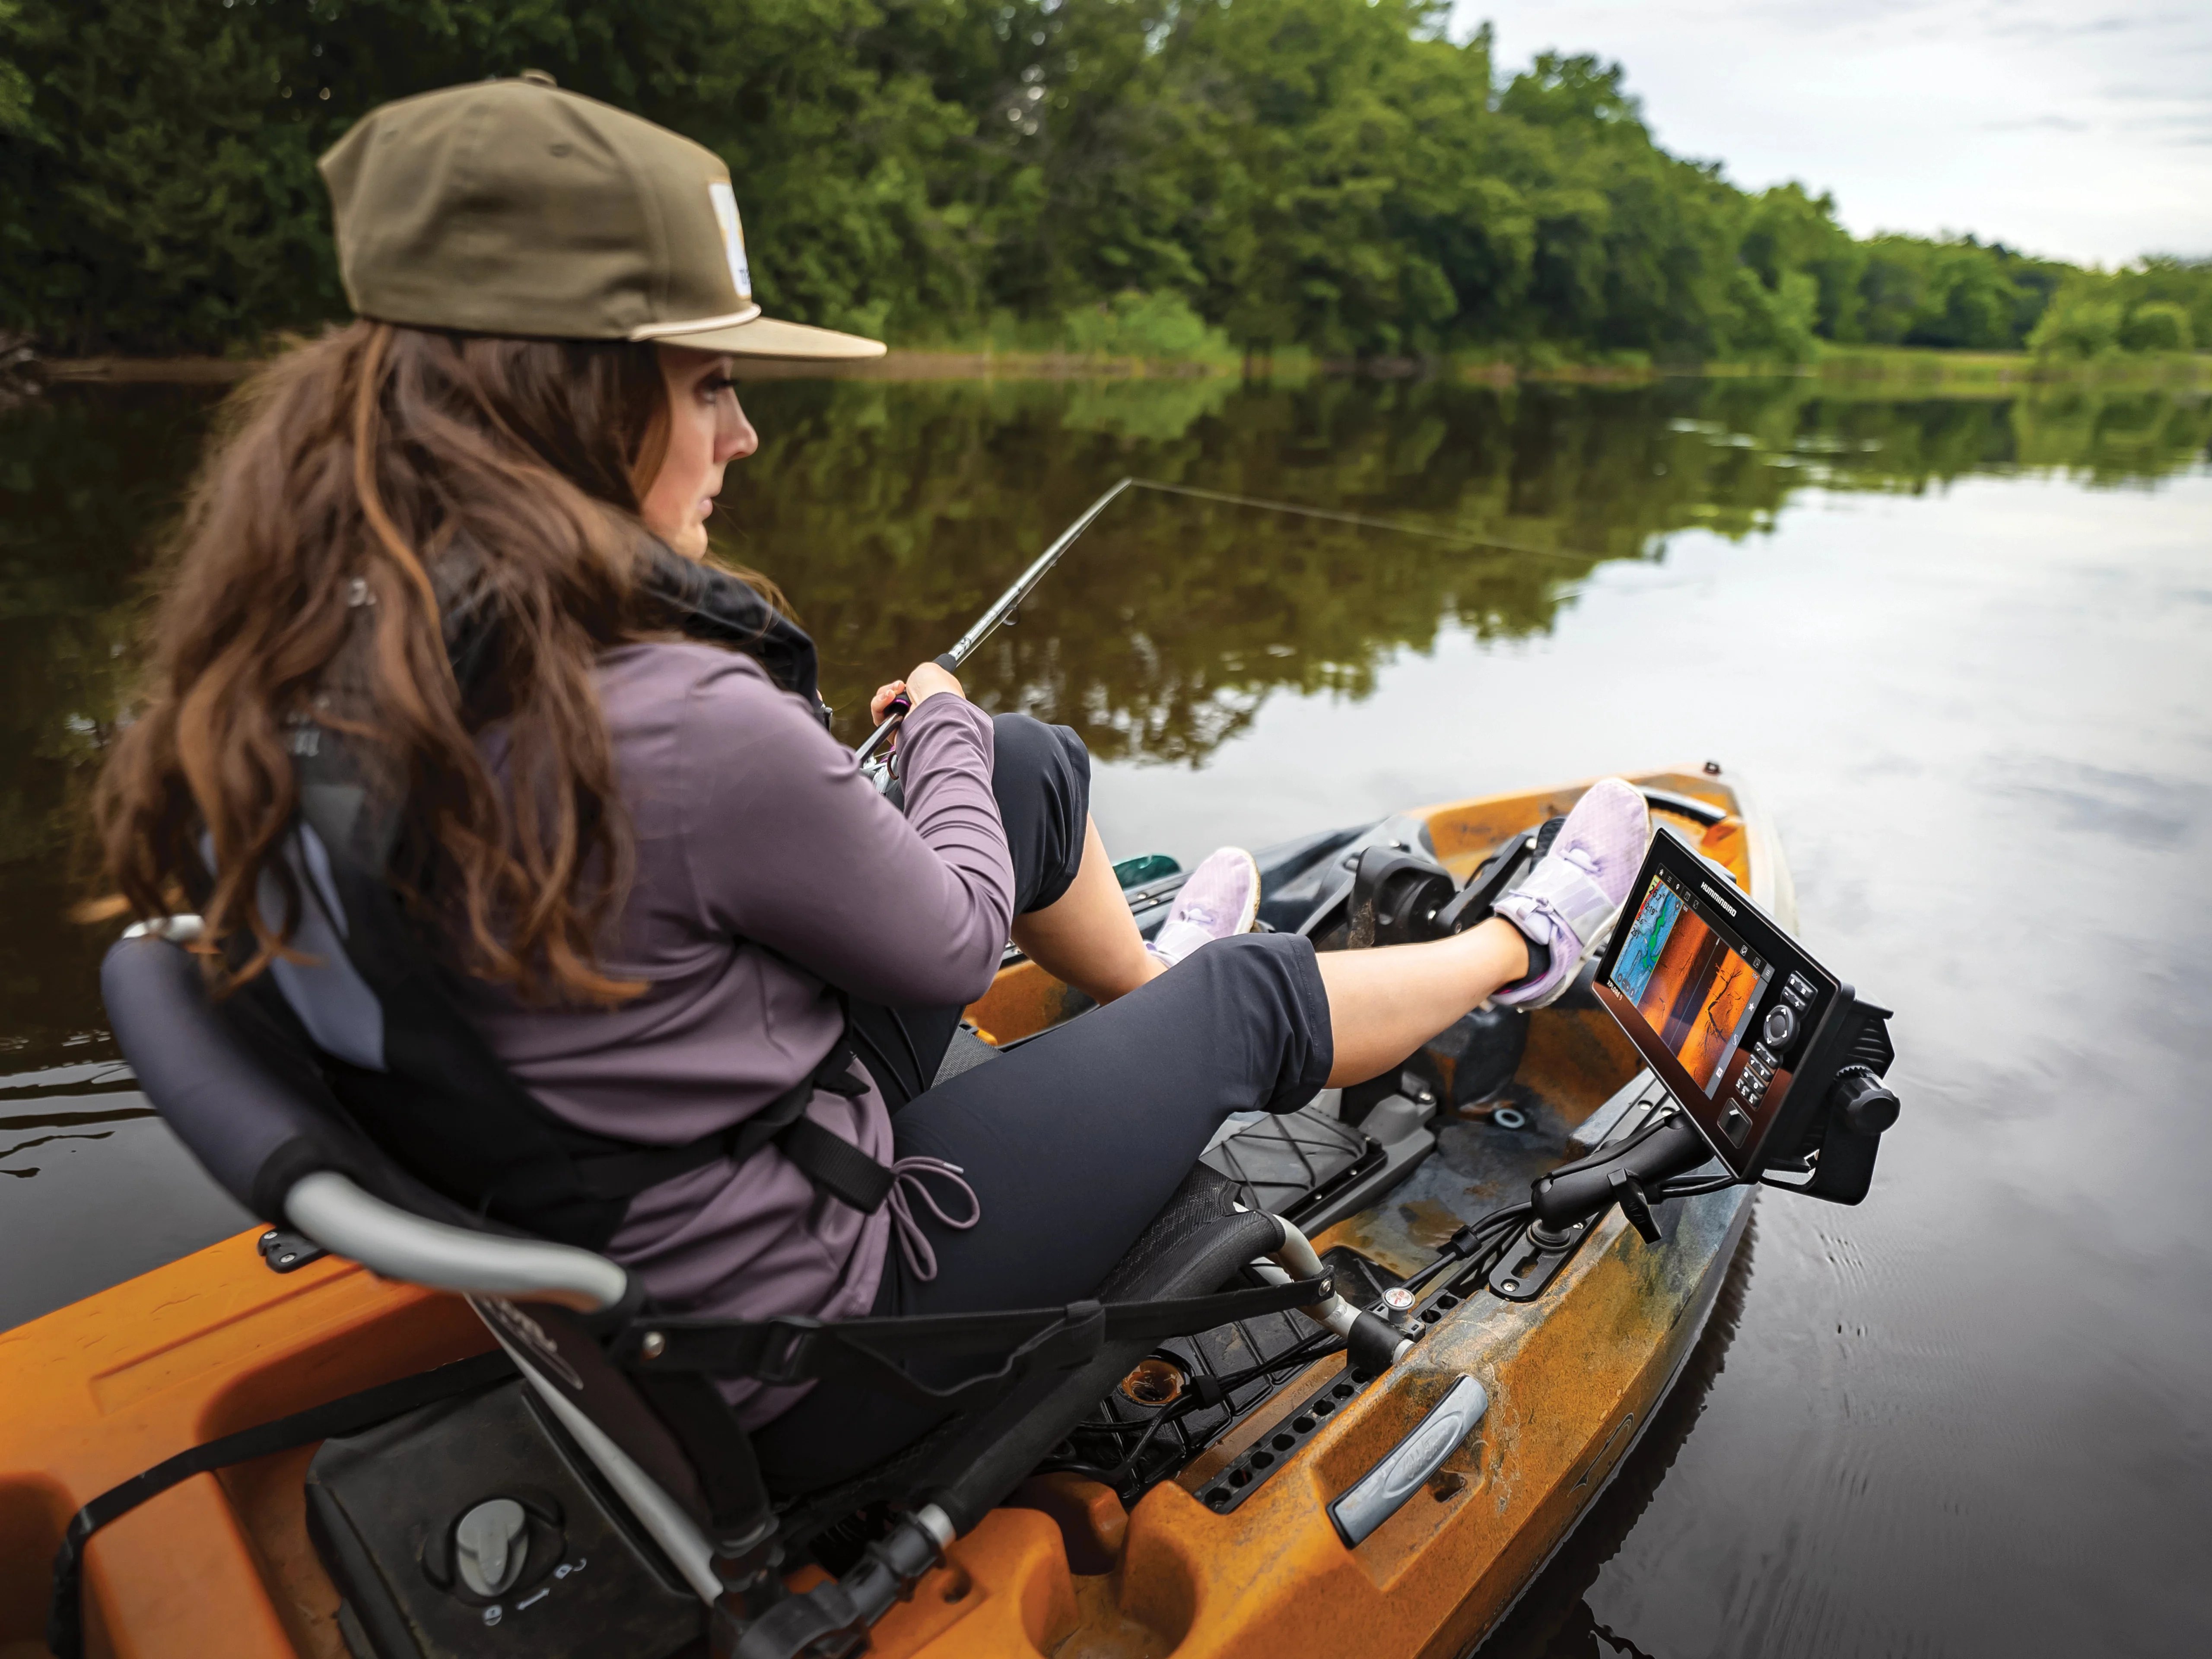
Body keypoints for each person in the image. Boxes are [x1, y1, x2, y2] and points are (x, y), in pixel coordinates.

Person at [90, 77, 1651, 1491]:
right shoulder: (668, 721)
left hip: (615, 1206)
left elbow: (663, 872)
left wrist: (917, 770)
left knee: (1032, 773)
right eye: (709, 386)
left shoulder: (317, 660)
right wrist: (941, 731)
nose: (745, 433)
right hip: (807, 1345)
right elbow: (956, 940)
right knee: (1243, 994)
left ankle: (1134, 997)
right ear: (567, 402)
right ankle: (1530, 948)